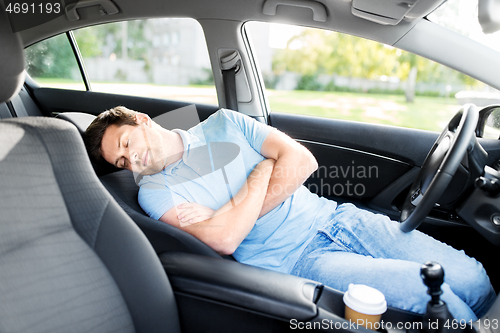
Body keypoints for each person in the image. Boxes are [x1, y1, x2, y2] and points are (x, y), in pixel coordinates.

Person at [85, 106, 496, 321]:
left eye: (124, 142)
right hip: (296, 259)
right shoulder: (154, 192)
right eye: (120, 161)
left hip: (338, 218)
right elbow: (223, 239)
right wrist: (262, 170)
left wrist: (234, 210)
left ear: (139, 120)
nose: (130, 158)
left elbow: (302, 161)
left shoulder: (224, 123)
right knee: (435, 297)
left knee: (475, 282)